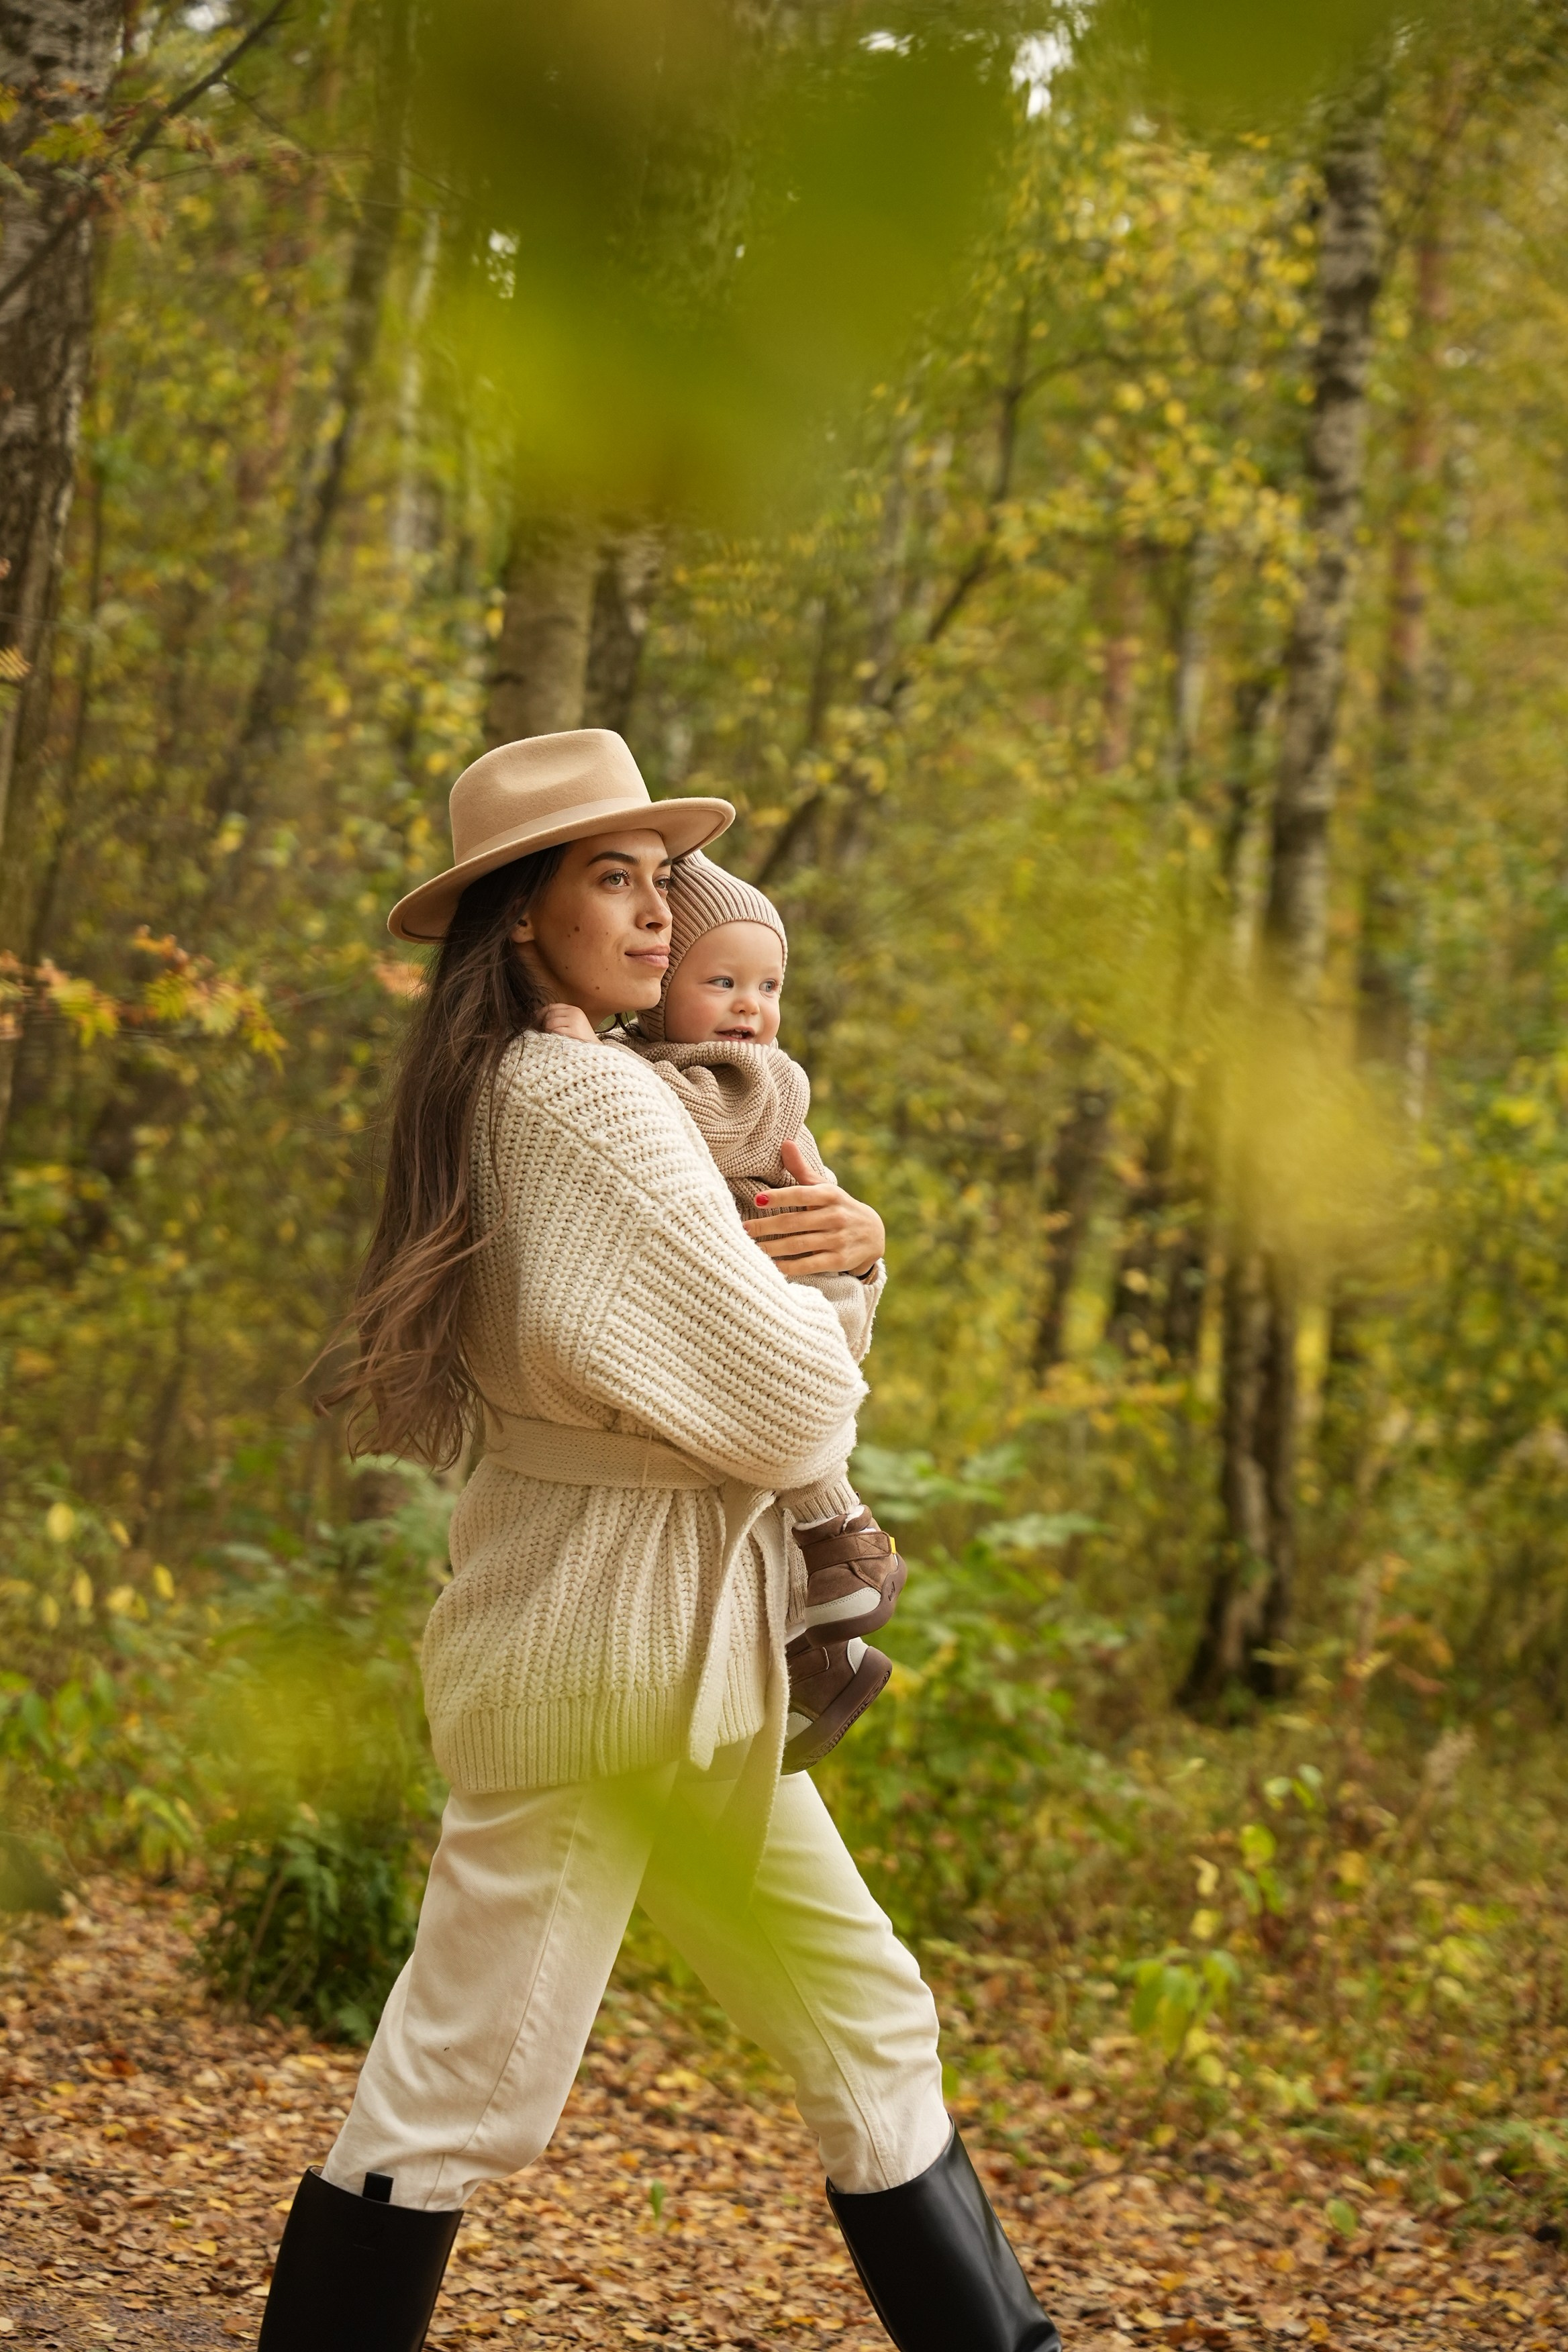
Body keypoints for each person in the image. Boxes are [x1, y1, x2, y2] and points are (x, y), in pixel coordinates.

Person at [256, 730, 1061, 2352]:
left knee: (861, 2019)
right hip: (603, 1665)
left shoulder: (535, 1088)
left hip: (698, 1668)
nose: (649, 914)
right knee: (462, 2088)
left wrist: (831, 1265)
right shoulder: (585, 1101)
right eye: (603, 881)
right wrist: (848, 1278)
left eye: (653, 881)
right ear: (517, 918)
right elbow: (784, 1417)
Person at [542, 848, 908, 1773]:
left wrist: (596, 1061)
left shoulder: (752, 1079)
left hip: (802, 1298)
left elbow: (669, 1121)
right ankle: (821, 1657)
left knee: (775, 1427)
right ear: (663, 990)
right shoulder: (642, 1065)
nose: (752, 1005)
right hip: (761, 1309)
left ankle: (846, 1540)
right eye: (723, 981)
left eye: (769, 984)